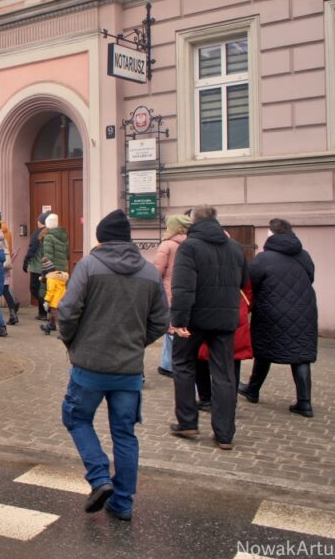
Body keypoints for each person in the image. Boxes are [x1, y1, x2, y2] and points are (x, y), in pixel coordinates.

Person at [56, 209, 169, 522]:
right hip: (128, 371)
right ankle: (122, 502)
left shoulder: (88, 266)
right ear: (128, 239)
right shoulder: (149, 273)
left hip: (89, 366)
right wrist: (136, 343)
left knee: (76, 417)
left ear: (101, 238)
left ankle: (99, 477)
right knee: (125, 433)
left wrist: (72, 342)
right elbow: (161, 321)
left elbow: (67, 312)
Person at [169, 205, 248, 450]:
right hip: (225, 320)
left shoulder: (189, 247)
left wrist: (178, 321)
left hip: (194, 318)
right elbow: (243, 281)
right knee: (224, 374)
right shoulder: (235, 248)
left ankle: (187, 421)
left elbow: (182, 287)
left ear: (193, 222)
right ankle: (225, 434)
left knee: (183, 364)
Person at [239, 218, 319, 418]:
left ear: (271, 234)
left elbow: (250, 283)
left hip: (271, 310)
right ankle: (305, 403)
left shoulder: (263, 259)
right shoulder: (303, 255)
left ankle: (253, 390)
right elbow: (310, 277)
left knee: (264, 350)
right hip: (304, 310)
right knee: (301, 354)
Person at [196, 281, 253, 411]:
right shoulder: (239, 268)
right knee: (233, 359)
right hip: (235, 309)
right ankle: (229, 401)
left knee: (201, 356)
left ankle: (206, 399)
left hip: (210, 309)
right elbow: (248, 289)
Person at [153, 214, 191, 378]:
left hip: (168, 291)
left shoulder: (167, 245)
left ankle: (169, 364)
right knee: (179, 326)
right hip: (186, 291)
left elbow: (157, 271)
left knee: (171, 329)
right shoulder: (191, 243)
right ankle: (169, 363)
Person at [24, 212, 51, 321]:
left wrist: (26, 261)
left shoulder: (38, 232)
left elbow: (32, 248)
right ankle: (42, 313)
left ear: (40, 221)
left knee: (35, 288)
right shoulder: (51, 232)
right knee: (43, 289)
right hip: (49, 266)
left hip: (37, 266)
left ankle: (48, 307)